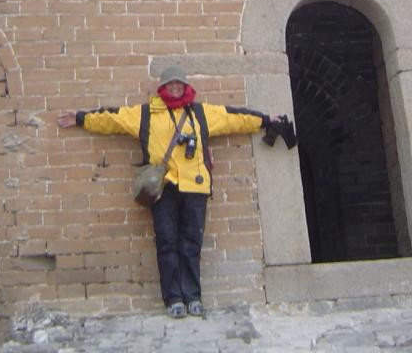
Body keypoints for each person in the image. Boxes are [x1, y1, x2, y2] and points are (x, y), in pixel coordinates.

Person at [57, 66, 295, 319]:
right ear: (162, 88)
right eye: (170, 84)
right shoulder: (146, 114)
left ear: (185, 87)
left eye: (178, 84)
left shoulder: (201, 113)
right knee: (167, 241)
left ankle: (193, 296)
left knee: (191, 242)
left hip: (195, 186)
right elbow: (113, 118)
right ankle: (173, 298)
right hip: (164, 188)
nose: (174, 88)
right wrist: (82, 118)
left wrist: (266, 120)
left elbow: (233, 117)